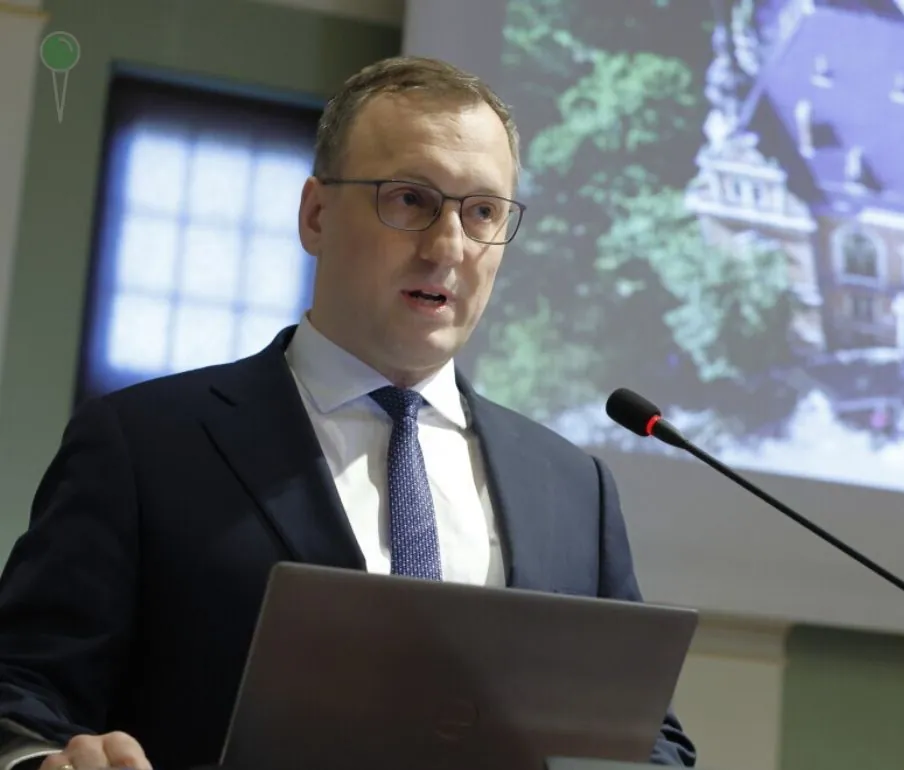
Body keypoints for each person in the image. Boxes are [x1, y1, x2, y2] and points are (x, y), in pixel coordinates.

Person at [0, 56, 696, 770]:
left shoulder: (573, 488)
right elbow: (21, 690)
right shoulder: (145, 445)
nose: (448, 246)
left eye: (482, 211)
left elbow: (650, 740)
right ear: (316, 214)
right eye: (410, 200)